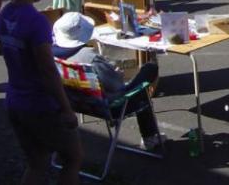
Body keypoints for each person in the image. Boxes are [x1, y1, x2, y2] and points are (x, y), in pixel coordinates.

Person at [0, 0, 82, 184]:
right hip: (39, 103)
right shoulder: (36, 21)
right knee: (73, 157)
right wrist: (66, 108)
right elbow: (47, 70)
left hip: (15, 98)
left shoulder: (4, 14)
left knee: (37, 163)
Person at [52, 12, 162, 151]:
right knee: (148, 72)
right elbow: (117, 85)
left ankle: (150, 137)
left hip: (76, 102)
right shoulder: (89, 57)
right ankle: (150, 138)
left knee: (139, 89)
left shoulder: (54, 56)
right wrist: (117, 73)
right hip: (109, 106)